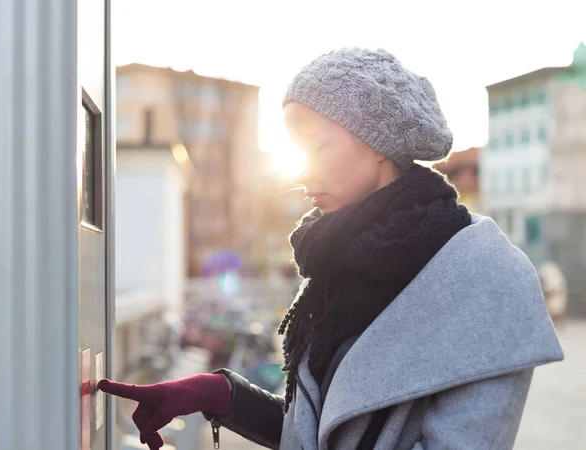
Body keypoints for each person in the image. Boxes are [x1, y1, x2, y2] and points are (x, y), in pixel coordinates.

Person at [98, 48, 564, 450]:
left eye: (316, 148)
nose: (299, 174)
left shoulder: (483, 278)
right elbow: (320, 433)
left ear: (379, 143)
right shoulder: (332, 261)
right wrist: (220, 394)